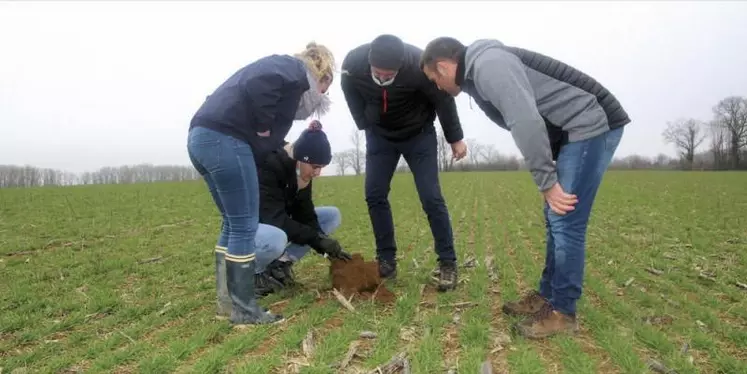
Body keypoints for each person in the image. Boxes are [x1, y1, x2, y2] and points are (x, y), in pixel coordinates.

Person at [420, 37, 630, 339]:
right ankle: (547, 297)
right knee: (554, 218)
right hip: (574, 131)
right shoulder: (478, 73)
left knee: (565, 220)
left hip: (590, 124)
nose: (437, 86)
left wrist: (546, 180)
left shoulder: (489, 66)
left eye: (434, 79)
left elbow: (526, 121)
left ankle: (563, 313)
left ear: (443, 66)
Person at [187, 42, 336, 326]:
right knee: (243, 225)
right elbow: (259, 84)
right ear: (322, 76)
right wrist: (264, 125)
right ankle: (245, 310)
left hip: (202, 139)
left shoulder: (282, 71)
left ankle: (227, 303)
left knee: (231, 224)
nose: (319, 99)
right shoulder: (292, 69)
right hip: (226, 140)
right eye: (323, 91)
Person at [340, 34, 468, 292]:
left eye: (390, 75)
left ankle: (447, 263)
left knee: (431, 197)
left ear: (401, 66)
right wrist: (364, 121)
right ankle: (386, 260)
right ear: (369, 64)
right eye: (379, 74)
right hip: (380, 138)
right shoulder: (353, 64)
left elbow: (443, 99)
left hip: (418, 135)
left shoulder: (418, 64)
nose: (384, 79)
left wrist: (455, 138)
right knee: (374, 194)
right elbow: (347, 87)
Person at [251, 120, 353, 297]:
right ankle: (253, 275)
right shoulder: (269, 166)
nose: (317, 173)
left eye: (321, 167)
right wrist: (316, 239)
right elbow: (275, 220)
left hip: (273, 224)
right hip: (250, 227)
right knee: (277, 238)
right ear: (300, 158)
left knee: (331, 215)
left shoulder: (302, 174)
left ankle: (279, 265)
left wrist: (323, 243)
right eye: (315, 167)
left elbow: (305, 214)